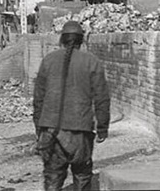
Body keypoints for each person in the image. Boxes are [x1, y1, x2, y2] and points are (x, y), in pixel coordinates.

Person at [33, 21, 110, 191]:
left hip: (51, 131)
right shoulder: (91, 62)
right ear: (81, 41)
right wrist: (103, 128)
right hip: (80, 132)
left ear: (62, 40)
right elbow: (102, 99)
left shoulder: (48, 60)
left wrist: (39, 128)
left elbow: (38, 99)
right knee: (82, 176)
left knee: (52, 178)